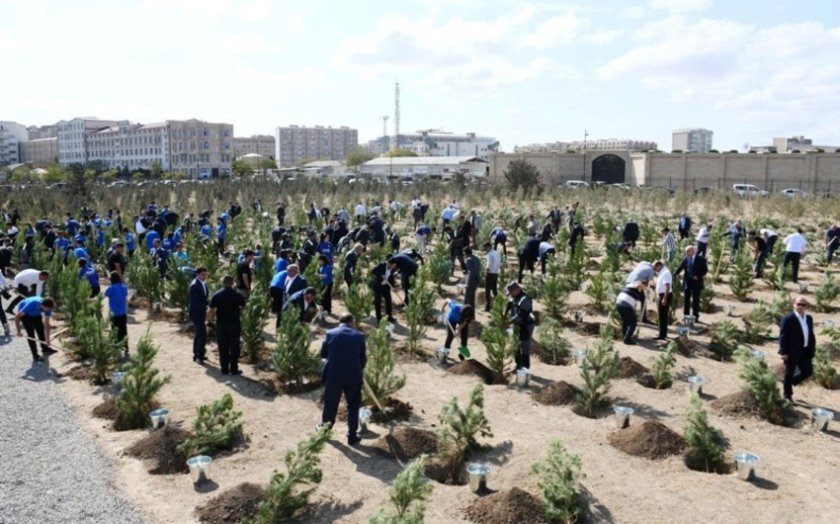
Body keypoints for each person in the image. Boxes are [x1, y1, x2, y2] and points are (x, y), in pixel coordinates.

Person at [319, 314, 367, 446]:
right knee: (353, 404)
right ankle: (352, 435)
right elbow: (363, 359)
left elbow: (323, 354)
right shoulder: (359, 336)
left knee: (331, 403)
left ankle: (325, 430)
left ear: (339, 322)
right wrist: (357, 370)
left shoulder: (330, 333)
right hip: (353, 375)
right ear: (352, 322)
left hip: (334, 375)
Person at [778, 296, 815, 402]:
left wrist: (812, 348)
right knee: (788, 373)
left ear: (806, 306)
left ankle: (791, 381)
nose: (801, 306)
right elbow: (783, 336)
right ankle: (787, 395)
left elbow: (810, 334)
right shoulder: (788, 318)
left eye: (803, 305)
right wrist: (783, 352)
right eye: (798, 304)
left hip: (805, 350)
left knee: (808, 371)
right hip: (791, 351)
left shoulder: (809, 318)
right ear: (794, 304)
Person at [208, 276, 246, 375]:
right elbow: (243, 306)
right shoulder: (237, 295)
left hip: (221, 323)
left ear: (223, 282)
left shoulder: (217, 294)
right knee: (234, 346)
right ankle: (234, 369)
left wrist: (212, 318)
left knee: (222, 346)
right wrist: (238, 313)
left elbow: (211, 309)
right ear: (232, 283)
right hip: (234, 323)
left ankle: (224, 369)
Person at [505, 281, 535, 371]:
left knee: (524, 345)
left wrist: (508, 322)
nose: (510, 295)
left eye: (511, 293)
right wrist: (504, 314)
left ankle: (525, 368)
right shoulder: (514, 297)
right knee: (516, 345)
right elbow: (508, 305)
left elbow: (521, 315)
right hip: (517, 324)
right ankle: (518, 365)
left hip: (527, 324)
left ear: (517, 290)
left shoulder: (525, 299)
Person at [15, 296, 55, 362]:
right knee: (31, 333)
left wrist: (48, 340)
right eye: (47, 309)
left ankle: (45, 348)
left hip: (36, 314)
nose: (48, 311)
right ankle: (35, 355)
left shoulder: (48, 308)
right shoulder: (31, 305)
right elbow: (17, 317)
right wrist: (18, 331)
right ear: (42, 305)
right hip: (26, 315)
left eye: (49, 309)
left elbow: (47, 325)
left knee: (40, 330)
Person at [674, 245, 708, 322]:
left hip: (696, 282)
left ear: (693, 251)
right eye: (686, 251)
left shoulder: (700, 259)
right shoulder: (686, 259)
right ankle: (686, 315)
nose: (686, 253)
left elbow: (705, 270)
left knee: (696, 300)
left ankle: (695, 317)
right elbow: (679, 268)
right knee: (686, 300)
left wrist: (698, 276)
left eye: (687, 251)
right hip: (687, 282)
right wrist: (673, 274)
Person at [188, 267, 210, 364]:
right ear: (197, 274)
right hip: (196, 313)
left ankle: (197, 354)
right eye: (203, 274)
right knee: (202, 334)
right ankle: (199, 356)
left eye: (206, 274)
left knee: (199, 334)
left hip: (201, 311)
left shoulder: (203, 283)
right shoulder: (194, 285)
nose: (205, 276)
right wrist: (206, 309)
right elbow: (195, 302)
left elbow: (204, 298)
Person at [615, 280, 648, 345]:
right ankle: (627, 339)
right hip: (625, 304)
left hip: (619, 304)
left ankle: (625, 336)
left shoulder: (636, 290)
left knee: (626, 321)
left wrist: (644, 291)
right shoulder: (634, 284)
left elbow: (642, 299)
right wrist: (646, 288)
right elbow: (638, 285)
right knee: (633, 322)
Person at [104, 271, 129, 353]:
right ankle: (126, 347)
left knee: (114, 330)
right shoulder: (124, 288)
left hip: (114, 313)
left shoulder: (110, 289)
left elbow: (105, 295)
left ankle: (116, 347)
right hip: (123, 313)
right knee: (123, 330)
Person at [653, 261, 671, 340]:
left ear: (659, 265)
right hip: (662, 294)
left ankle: (662, 334)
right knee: (662, 315)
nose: (655, 270)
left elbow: (667, 286)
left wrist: (664, 298)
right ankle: (662, 333)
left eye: (655, 268)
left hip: (665, 295)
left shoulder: (665, 273)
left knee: (662, 315)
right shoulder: (662, 272)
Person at [484, 241, 500, 312]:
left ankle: (487, 307)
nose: (485, 250)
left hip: (490, 274)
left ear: (489, 247)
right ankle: (498, 305)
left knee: (487, 291)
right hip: (496, 273)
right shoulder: (496, 253)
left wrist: (485, 273)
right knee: (494, 290)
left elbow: (489, 265)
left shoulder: (490, 254)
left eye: (485, 248)